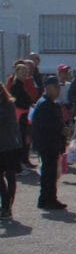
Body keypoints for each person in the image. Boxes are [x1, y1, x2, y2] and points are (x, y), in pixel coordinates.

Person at [30, 77, 70, 211]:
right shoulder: (45, 104)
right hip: (48, 144)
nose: (58, 90)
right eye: (56, 87)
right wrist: (61, 129)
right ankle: (48, 199)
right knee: (49, 173)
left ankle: (47, 199)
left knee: (51, 173)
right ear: (48, 88)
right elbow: (45, 126)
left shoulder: (50, 103)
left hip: (51, 143)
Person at [0, 83, 21, 219]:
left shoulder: (8, 105)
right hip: (4, 145)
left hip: (9, 146)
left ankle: (7, 206)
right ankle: (6, 203)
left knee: (10, 176)